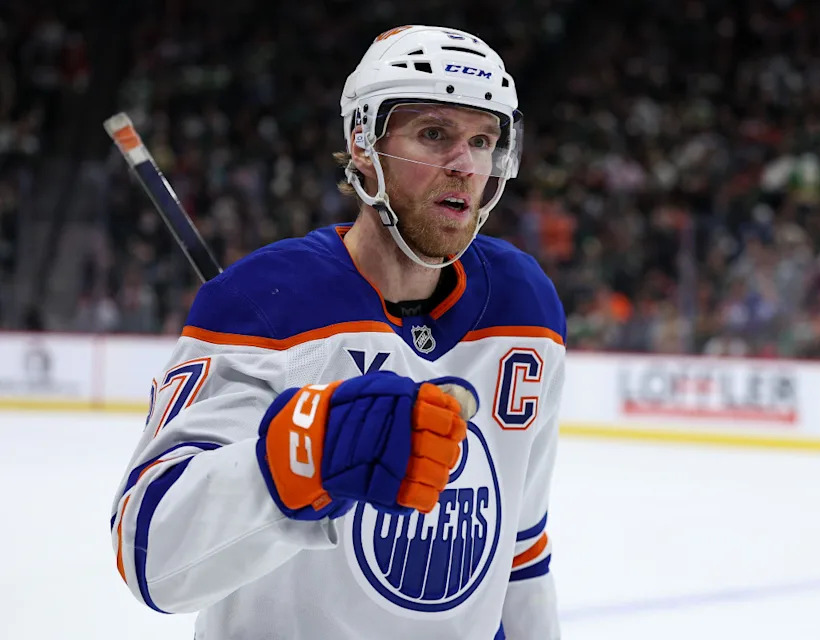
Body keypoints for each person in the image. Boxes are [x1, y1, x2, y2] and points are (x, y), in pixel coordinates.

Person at [109, 25, 565, 640]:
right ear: (362, 145)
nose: (464, 165)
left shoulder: (525, 305)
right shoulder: (264, 305)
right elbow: (151, 557)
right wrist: (305, 458)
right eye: (435, 134)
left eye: (482, 141)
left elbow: (519, 548)